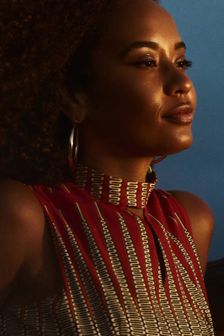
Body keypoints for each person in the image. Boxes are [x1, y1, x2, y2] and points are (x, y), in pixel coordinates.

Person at [0, 0, 215, 334]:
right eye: (146, 61)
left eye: (181, 61)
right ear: (73, 96)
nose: (181, 82)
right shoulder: (25, 219)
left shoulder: (191, 222)